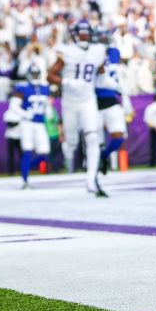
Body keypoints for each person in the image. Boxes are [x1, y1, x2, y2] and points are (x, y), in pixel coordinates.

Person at [48, 19, 109, 197]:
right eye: (80, 32)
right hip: (70, 102)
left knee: (92, 136)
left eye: (85, 32)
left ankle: (91, 179)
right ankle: (69, 159)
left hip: (88, 99)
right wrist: (67, 82)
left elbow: (102, 74)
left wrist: (112, 84)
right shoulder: (67, 52)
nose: (83, 35)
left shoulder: (98, 51)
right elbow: (50, 75)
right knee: (72, 142)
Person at [14, 64, 52, 189]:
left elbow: (47, 104)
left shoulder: (45, 88)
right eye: (33, 74)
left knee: (44, 153)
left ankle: (25, 168)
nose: (35, 76)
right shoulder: (22, 88)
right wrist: (26, 114)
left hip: (40, 123)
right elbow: (13, 106)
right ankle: (25, 180)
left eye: (37, 74)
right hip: (27, 123)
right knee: (28, 150)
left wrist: (48, 111)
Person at [95, 45, 129, 175]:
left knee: (118, 137)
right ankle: (96, 163)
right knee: (95, 139)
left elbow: (121, 84)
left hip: (111, 98)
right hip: (94, 100)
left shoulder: (114, 56)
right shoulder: (91, 53)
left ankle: (104, 155)